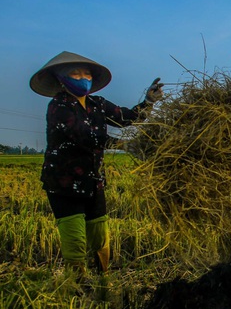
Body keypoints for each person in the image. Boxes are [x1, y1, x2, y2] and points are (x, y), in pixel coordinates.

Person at [30, 51, 163, 276]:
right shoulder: (58, 106)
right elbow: (84, 135)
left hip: (93, 183)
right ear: (61, 78)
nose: (83, 78)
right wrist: (124, 145)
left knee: (100, 235)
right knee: (75, 240)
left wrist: (148, 101)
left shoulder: (97, 104)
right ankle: (76, 285)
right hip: (64, 184)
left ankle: (103, 281)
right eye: (75, 73)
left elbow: (126, 117)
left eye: (86, 73)